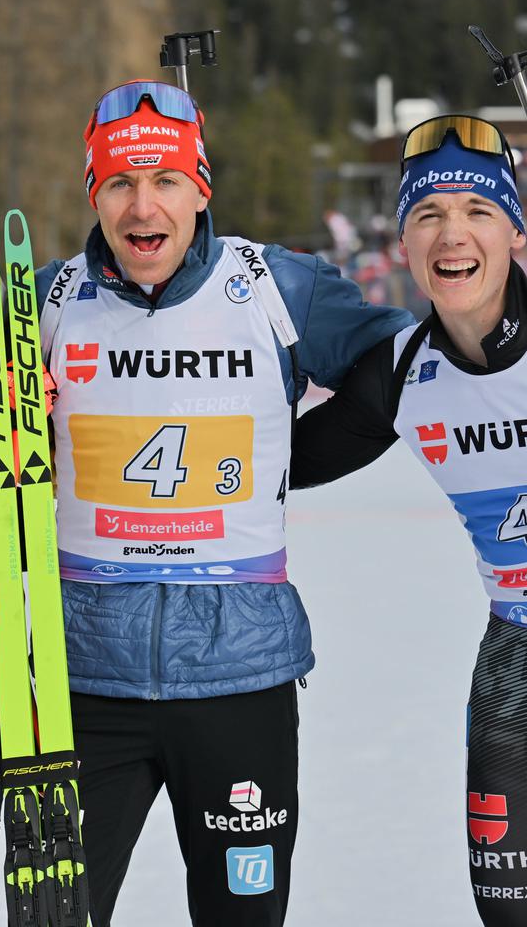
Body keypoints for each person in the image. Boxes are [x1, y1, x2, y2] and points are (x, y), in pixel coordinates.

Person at [32, 79, 414, 926]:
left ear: (200, 187)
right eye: (119, 184)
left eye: (165, 180)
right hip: (88, 682)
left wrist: (297, 458)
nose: (142, 207)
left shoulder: (274, 286)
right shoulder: (49, 300)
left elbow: (403, 358)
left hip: (240, 676)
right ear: (93, 192)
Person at [291, 115, 527, 927]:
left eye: (477, 211)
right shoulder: (401, 376)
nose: (451, 234)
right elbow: (266, 465)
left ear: (514, 232)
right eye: (428, 214)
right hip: (515, 660)